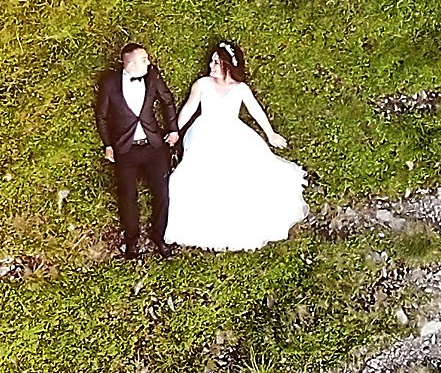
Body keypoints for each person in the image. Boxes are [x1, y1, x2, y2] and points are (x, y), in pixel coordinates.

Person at [164, 39, 307, 251]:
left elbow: (256, 111)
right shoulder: (202, 85)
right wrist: (175, 131)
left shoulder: (240, 89)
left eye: (216, 63)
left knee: (245, 172)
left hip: (232, 131)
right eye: (211, 62)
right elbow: (189, 108)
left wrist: (270, 133)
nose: (211, 66)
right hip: (205, 132)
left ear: (227, 66)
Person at [93, 42, 181, 260]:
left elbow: (167, 100)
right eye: (143, 59)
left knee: (162, 191)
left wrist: (172, 129)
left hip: (153, 146)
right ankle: (132, 240)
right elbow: (102, 116)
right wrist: (108, 144)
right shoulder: (110, 83)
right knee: (127, 195)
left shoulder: (152, 76)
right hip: (126, 148)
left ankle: (159, 236)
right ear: (129, 63)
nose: (148, 62)